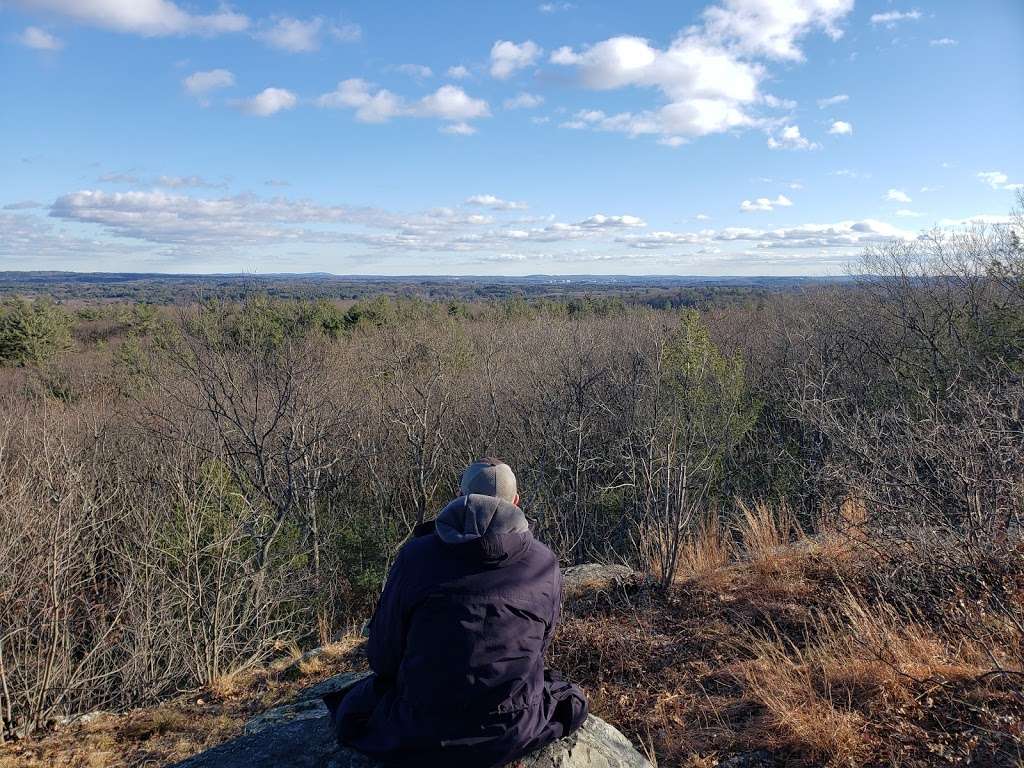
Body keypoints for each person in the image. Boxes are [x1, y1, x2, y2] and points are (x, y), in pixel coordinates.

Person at [324, 458, 588, 768]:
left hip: (420, 730)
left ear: (460, 496)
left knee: (355, 707)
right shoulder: (544, 563)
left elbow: (383, 657)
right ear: (516, 502)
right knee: (571, 698)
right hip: (512, 730)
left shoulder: (416, 558)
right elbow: (539, 646)